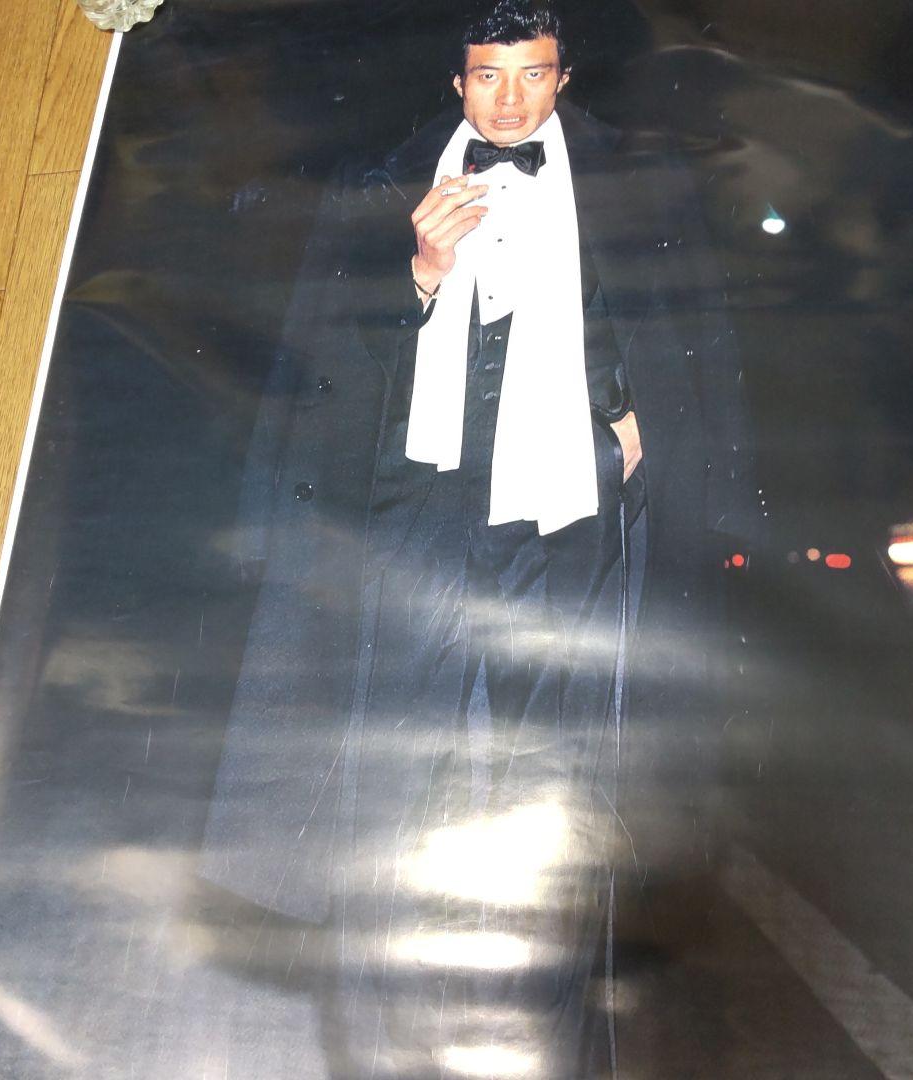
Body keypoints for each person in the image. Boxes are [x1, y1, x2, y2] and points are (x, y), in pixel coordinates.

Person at [201, 2, 759, 1075]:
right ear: (457, 82)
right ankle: (385, 1047)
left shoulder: (639, 181)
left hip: (568, 516)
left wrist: (636, 425)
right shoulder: (379, 185)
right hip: (418, 513)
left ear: (565, 77)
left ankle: (544, 1044)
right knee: (396, 778)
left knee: (558, 787)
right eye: (488, 76)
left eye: (532, 74)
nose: (510, 99)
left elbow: (691, 332)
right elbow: (324, 372)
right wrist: (418, 272)